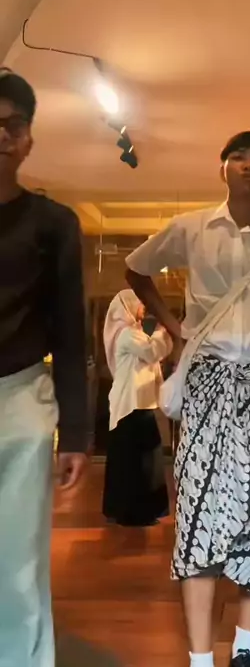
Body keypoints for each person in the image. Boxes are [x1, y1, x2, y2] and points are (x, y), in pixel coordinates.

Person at [125, 131, 250, 667]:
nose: (249, 165)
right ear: (223, 168)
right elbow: (137, 268)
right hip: (207, 377)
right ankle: (199, 657)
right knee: (196, 509)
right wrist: (176, 329)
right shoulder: (191, 228)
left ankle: (245, 647)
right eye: (239, 157)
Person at [0, 67, 88, 665]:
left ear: (30, 138)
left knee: (17, 559)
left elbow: (69, 331)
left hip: (22, 399)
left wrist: (76, 434)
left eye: (14, 125)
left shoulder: (54, 224)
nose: (2, 135)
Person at [102, 288, 172, 526]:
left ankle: (130, 510)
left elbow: (155, 352)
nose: (143, 307)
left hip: (137, 404)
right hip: (131, 405)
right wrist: (163, 330)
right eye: (139, 302)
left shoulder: (134, 332)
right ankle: (134, 513)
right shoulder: (126, 334)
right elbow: (152, 352)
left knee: (135, 460)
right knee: (138, 461)